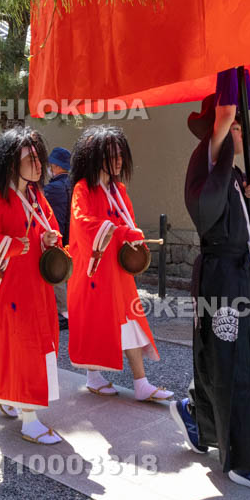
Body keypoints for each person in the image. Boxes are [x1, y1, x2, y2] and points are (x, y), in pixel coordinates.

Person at [172, 84, 250, 497]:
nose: (239, 134)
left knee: (225, 356)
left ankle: (195, 412)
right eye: (233, 127)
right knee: (234, 363)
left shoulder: (237, 178)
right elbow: (221, 123)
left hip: (241, 278)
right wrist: (228, 100)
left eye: (242, 127)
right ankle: (244, 460)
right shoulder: (206, 169)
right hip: (222, 281)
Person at [0, 127, 64, 445]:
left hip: (38, 288)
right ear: (10, 163)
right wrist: (10, 245)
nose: (38, 165)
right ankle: (29, 419)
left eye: (38, 158)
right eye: (30, 159)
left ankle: (7, 395)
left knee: (34, 346)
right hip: (13, 291)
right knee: (23, 349)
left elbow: (50, 232)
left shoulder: (37, 198)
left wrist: (48, 240)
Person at [66, 126, 172, 402]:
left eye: (120, 155)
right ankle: (95, 375)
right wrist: (124, 232)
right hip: (94, 269)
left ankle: (141, 382)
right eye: (111, 155)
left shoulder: (118, 189)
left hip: (118, 269)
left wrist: (132, 236)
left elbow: (129, 223)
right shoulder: (83, 189)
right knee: (96, 323)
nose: (117, 161)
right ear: (94, 157)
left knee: (130, 321)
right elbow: (83, 225)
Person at [42, 146, 72, 330]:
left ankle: (64, 313)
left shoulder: (52, 189)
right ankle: (70, 311)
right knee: (69, 274)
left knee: (57, 276)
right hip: (72, 236)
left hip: (57, 235)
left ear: (55, 166)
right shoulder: (73, 184)